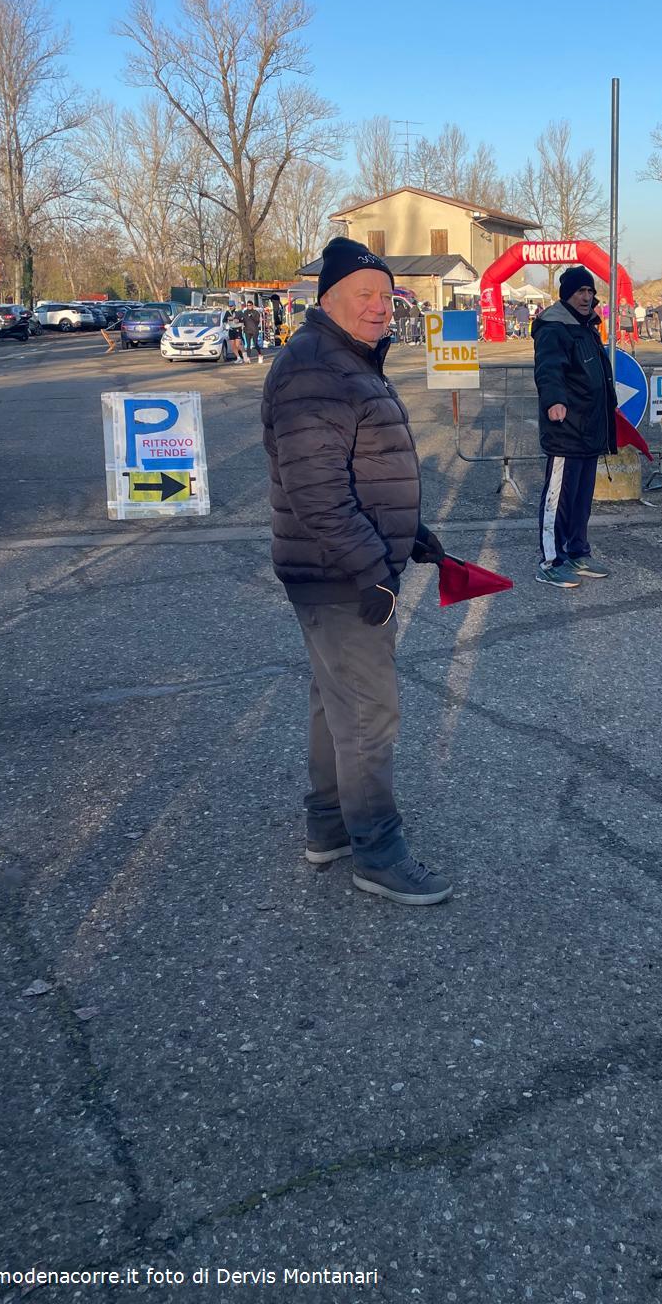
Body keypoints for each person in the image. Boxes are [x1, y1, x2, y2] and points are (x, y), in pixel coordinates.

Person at [262, 237, 452, 905]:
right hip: (340, 574)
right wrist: (372, 568)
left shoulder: (344, 359)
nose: (380, 307)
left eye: (386, 296)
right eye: (364, 295)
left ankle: (330, 825)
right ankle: (377, 851)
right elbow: (317, 492)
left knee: (337, 703)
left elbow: (360, 470)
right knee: (370, 713)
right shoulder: (316, 368)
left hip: (340, 564)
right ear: (328, 299)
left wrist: (409, 534)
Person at [532, 265, 618, 588]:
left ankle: (577, 551)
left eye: (590, 291)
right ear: (567, 294)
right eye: (580, 291)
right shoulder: (554, 327)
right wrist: (554, 400)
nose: (586, 297)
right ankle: (550, 561)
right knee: (558, 499)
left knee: (582, 499)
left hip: (589, 429)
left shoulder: (587, 327)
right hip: (566, 429)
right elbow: (549, 368)